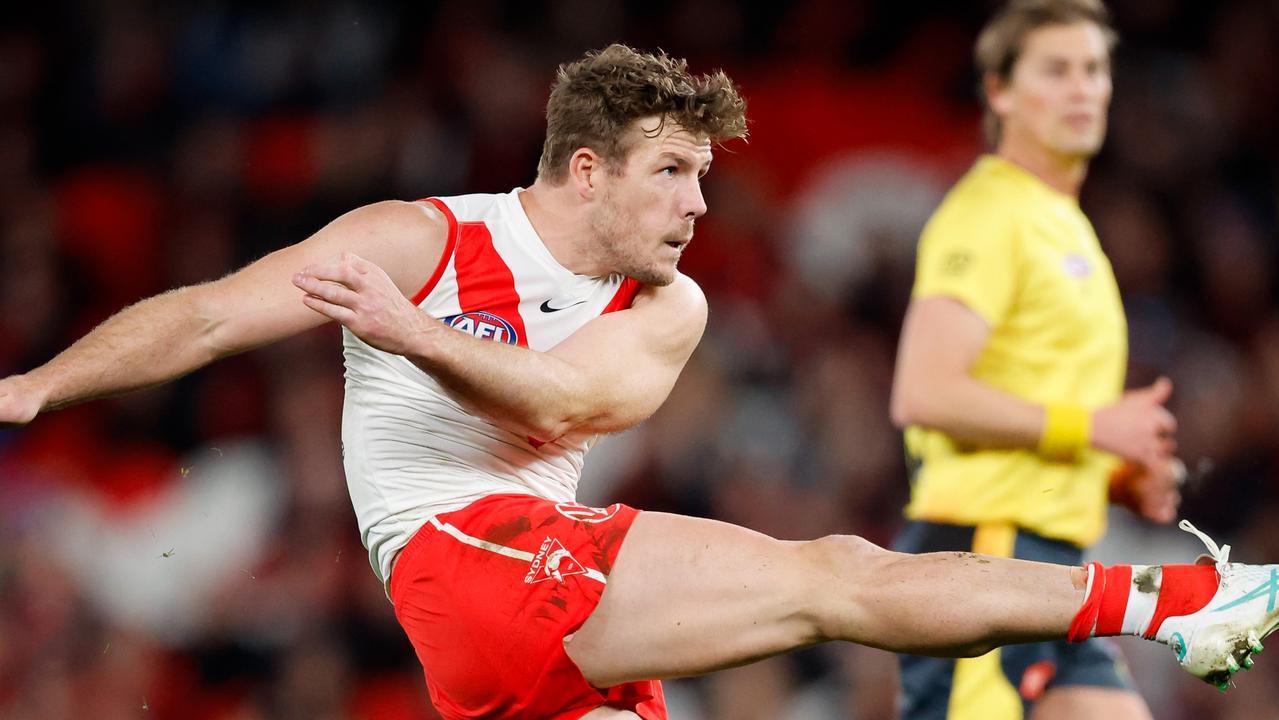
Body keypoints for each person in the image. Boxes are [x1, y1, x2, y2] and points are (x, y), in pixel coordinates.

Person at [0, 43, 1273, 720]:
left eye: (707, 178)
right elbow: (209, 318)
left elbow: (556, 404)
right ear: (587, 170)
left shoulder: (671, 306)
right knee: (832, 579)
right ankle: (1174, 602)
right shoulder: (418, 240)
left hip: (522, 603)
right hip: (465, 560)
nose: (698, 203)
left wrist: (411, 334)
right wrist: (36, 390)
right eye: (671, 172)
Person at [890, 1, 1186, 718]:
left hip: (1047, 561)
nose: (1082, 88)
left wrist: (1114, 470)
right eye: (1055, 70)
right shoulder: (990, 212)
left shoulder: (1064, 224)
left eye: (1093, 70)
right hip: (983, 554)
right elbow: (923, 393)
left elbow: (1026, 407)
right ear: (999, 91)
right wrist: (1090, 429)